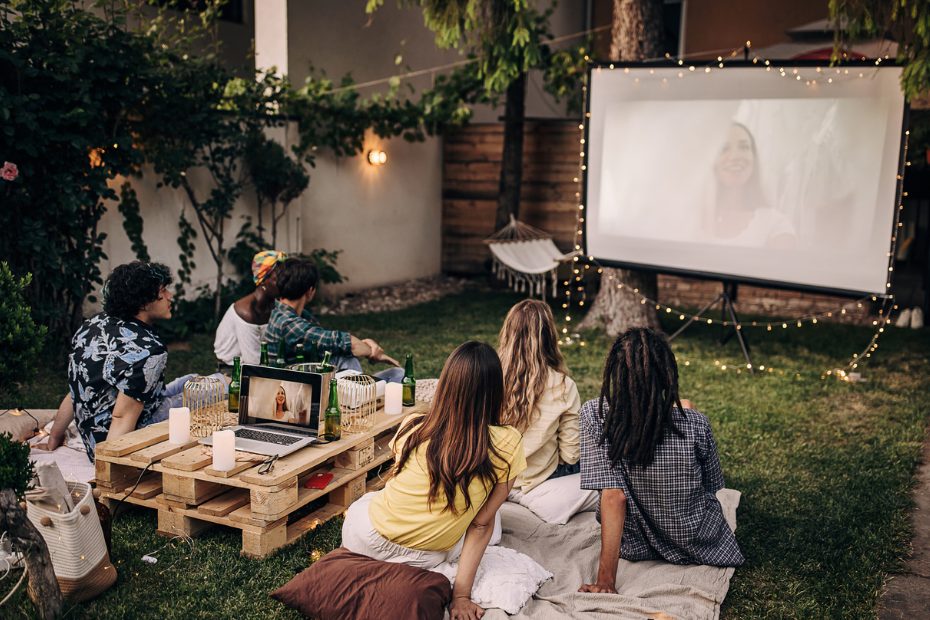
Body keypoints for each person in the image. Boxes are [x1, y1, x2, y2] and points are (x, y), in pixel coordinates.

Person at [341, 341, 526, 619]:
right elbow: (480, 525)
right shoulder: (507, 442)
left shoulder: (414, 424)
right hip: (420, 558)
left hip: (360, 536)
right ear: (495, 390)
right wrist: (461, 596)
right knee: (491, 519)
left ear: (446, 385)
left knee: (372, 499)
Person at [579, 328, 743, 594]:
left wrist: (605, 581)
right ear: (667, 374)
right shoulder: (697, 424)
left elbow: (613, 497)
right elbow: (713, 485)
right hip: (696, 543)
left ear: (615, 373)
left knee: (684, 408)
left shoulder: (595, 416)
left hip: (634, 544)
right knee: (687, 408)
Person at [59, 262, 216, 461]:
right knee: (216, 393)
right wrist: (108, 470)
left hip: (94, 437)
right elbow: (122, 418)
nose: (170, 296)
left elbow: (77, 388)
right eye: (163, 291)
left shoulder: (92, 326)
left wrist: (54, 437)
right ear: (143, 302)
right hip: (115, 442)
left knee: (195, 380)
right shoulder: (149, 350)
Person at [262, 258, 403, 382]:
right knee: (346, 359)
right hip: (294, 391)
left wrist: (365, 345)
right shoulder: (289, 324)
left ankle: (365, 391)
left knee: (398, 374)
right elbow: (342, 342)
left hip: (309, 379)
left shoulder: (288, 313)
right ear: (310, 291)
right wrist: (373, 352)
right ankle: (360, 398)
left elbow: (328, 342)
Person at [498, 299, 581, 493]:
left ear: (508, 333)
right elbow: (571, 454)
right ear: (549, 336)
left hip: (495, 475)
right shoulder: (564, 385)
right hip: (541, 476)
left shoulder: (488, 375)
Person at [705, 122, 795, 248]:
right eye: (723, 148)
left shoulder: (775, 225)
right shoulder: (691, 219)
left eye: (744, 147)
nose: (735, 156)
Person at [214, 250, 286, 367]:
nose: (284, 283)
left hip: (262, 364)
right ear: (263, 281)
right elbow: (253, 362)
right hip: (234, 368)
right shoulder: (247, 312)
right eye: (278, 279)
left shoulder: (274, 305)